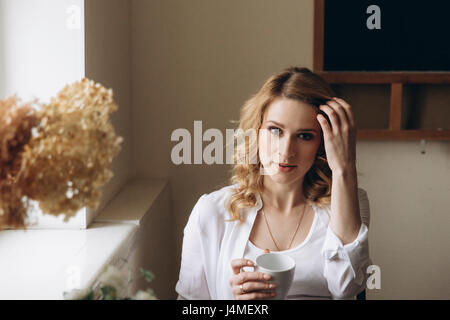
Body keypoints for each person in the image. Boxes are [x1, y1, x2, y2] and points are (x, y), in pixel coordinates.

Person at [175, 67, 372, 300]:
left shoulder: (346, 201)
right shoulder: (211, 211)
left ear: (323, 144)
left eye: (304, 136)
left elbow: (348, 287)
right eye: (275, 130)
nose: (286, 151)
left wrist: (344, 169)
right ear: (256, 132)